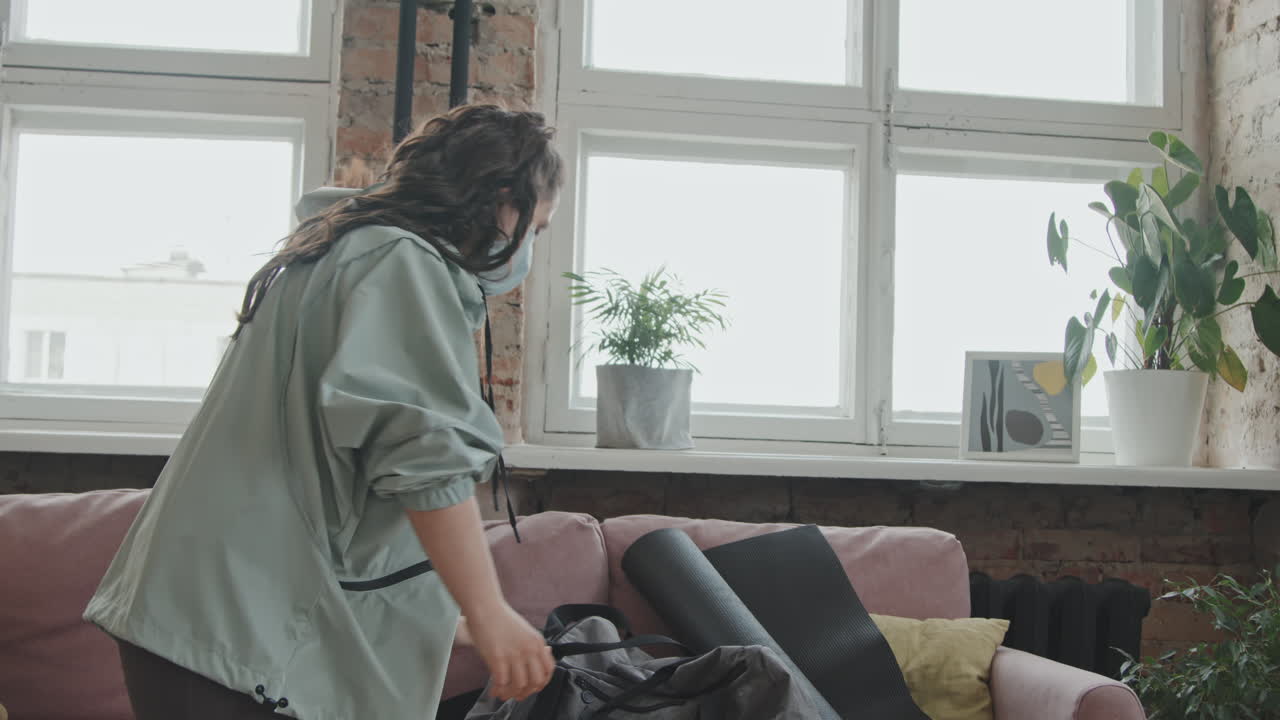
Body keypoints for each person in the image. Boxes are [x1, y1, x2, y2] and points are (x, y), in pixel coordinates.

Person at [83, 105, 563, 719]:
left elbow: (338, 487)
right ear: (503, 198)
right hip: (233, 626)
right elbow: (421, 458)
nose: (531, 248)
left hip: (203, 613)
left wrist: (455, 620)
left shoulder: (342, 251)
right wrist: (490, 611)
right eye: (539, 229)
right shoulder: (399, 265)